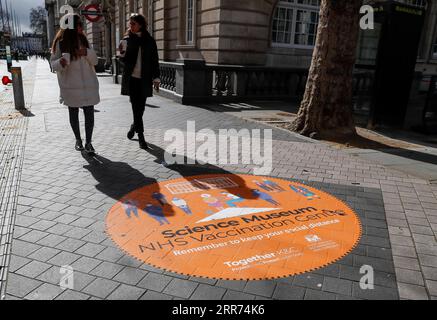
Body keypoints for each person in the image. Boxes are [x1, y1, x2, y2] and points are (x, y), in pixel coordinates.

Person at [50, 13, 100, 154]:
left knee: (89, 114)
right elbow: (53, 63)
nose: (81, 27)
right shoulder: (61, 42)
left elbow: (95, 61)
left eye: (82, 24)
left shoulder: (84, 40)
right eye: (79, 24)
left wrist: (87, 52)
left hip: (88, 85)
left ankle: (89, 142)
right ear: (71, 26)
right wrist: (60, 62)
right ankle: (78, 140)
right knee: (73, 114)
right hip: (71, 86)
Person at [119, 13, 160, 149]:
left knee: (140, 108)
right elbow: (122, 61)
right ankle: (141, 136)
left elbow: (154, 60)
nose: (130, 26)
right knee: (135, 107)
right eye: (129, 23)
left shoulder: (149, 40)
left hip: (145, 79)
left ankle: (133, 127)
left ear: (140, 25)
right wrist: (122, 54)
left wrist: (156, 77)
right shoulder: (127, 40)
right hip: (132, 79)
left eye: (133, 24)